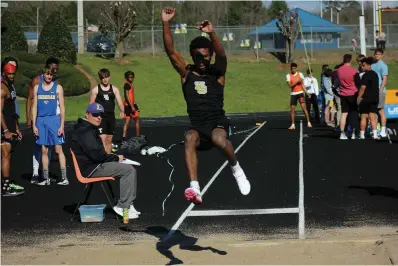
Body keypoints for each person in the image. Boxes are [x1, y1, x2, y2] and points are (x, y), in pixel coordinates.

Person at [161, 7, 250, 204]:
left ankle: (236, 168)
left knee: (218, 138)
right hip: (198, 126)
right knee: (189, 137)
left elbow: (223, 55)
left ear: (210, 55)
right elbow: (170, 51)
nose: (203, 60)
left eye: (206, 56)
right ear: (193, 57)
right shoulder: (186, 74)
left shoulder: (217, 73)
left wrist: (211, 33)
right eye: (198, 57)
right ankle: (195, 188)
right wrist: (166, 22)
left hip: (217, 123)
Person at [70, 103, 140, 219]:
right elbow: (97, 156)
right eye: (95, 114)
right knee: (128, 170)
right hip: (92, 168)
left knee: (131, 167)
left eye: (100, 115)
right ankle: (123, 206)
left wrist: (114, 157)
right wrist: (116, 158)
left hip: (95, 164)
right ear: (87, 114)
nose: (99, 117)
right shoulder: (85, 131)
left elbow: (98, 154)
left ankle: (128, 205)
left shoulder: (88, 128)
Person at [32, 67, 68, 186]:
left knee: (58, 150)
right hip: (41, 121)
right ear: (43, 74)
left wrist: (62, 125)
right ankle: (45, 178)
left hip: (54, 120)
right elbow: (34, 107)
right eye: (47, 74)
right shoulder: (37, 88)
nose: (49, 76)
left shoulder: (58, 88)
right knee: (44, 150)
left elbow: (62, 108)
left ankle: (64, 178)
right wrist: (34, 125)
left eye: (51, 75)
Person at [27, 56, 60, 184]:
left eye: (57, 69)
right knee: (38, 146)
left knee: (49, 146)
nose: (55, 71)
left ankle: (45, 173)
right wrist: (30, 119)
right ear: (47, 67)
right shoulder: (37, 80)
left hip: (51, 119)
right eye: (53, 69)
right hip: (39, 118)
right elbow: (30, 100)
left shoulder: (54, 83)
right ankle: (35, 173)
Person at [1, 63, 25, 196]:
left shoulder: (11, 86)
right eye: (9, 74)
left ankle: (7, 183)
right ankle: (5, 188)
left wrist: (16, 128)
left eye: (13, 74)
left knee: (8, 155)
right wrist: (5, 130)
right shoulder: (2, 89)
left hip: (10, 124)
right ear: (4, 73)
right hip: (3, 128)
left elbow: (12, 110)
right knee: (5, 155)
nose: (11, 76)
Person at [89, 68, 125, 153]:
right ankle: (103, 160)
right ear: (100, 78)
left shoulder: (114, 89)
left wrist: (122, 110)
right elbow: (91, 105)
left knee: (109, 140)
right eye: (103, 77)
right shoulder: (96, 90)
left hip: (111, 118)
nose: (105, 79)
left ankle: (108, 159)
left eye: (106, 77)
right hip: (101, 118)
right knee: (103, 140)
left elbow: (119, 101)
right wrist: (90, 117)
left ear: (109, 77)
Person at [336, 54, 359, 140]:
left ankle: (342, 133)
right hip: (353, 93)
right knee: (353, 113)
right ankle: (353, 133)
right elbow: (358, 83)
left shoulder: (339, 70)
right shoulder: (354, 71)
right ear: (350, 60)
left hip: (343, 94)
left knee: (344, 113)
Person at [357, 57, 380, 140]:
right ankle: (375, 134)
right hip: (375, 98)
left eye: (363, 65)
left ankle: (362, 135)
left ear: (368, 65)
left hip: (366, 98)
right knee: (372, 116)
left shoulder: (365, 75)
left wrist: (358, 98)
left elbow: (363, 88)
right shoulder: (375, 74)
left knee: (363, 117)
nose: (362, 67)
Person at [286, 63, 312, 130]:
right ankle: (293, 124)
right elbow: (290, 85)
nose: (293, 69)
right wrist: (297, 81)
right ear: (290, 68)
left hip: (300, 93)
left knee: (304, 108)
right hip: (293, 94)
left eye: (294, 68)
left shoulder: (300, 74)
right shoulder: (288, 76)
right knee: (292, 109)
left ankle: (309, 122)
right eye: (292, 68)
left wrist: (307, 93)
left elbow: (302, 85)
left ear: (296, 68)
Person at [371, 48, 388, 138]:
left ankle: (383, 130)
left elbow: (384, 78)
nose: (377, 55)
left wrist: (380, 89)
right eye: (376, 54)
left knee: (381, 110)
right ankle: (376, 129)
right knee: (374, 111)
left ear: (381, 55)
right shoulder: (373, 65)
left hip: (379, 91)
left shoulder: (383, 65)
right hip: (372, 91)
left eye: (378, 54)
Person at [122, 71, 140, 140]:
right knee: (137, 119)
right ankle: (138, 137)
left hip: (130, 104)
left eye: (132, 77)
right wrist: (132, 106)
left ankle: (123, 137)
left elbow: (131, 96)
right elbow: (126, 96)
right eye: (130, 77)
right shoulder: (127, 85)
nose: (131, 78)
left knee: (127, 120)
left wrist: (134, 104)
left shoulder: (129, 84)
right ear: (127, 77)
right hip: (129, 105)